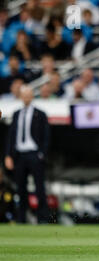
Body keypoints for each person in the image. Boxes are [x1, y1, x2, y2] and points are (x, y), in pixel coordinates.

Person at [4, 85, 50, 224]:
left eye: (28, 95)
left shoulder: (40, 114)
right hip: (19, 155)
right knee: (20, 188)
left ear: (32, 96)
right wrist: (8, 155)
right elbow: (11, 137)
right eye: (24, 95)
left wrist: (41, 154)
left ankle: (42, 218)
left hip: (34, 154)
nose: (26, 97)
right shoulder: (17, 113)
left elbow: (46, 136)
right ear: (21, 96)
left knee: (39, 187)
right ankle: (21, 218)